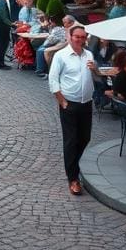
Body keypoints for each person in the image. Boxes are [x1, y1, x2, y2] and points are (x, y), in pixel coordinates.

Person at [48, 25, 95, 195]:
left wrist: (95, 69)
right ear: (70, 37)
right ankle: (73, 178)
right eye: (78, 37)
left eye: (84, 37)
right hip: (70, 104)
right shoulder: (61, 56)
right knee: (70, 140)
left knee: (85, 138)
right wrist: (62, 101)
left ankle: (73, 164)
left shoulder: (89, 54)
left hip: (87, 103)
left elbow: (93, 76)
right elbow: (53, 80)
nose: (81, 40)